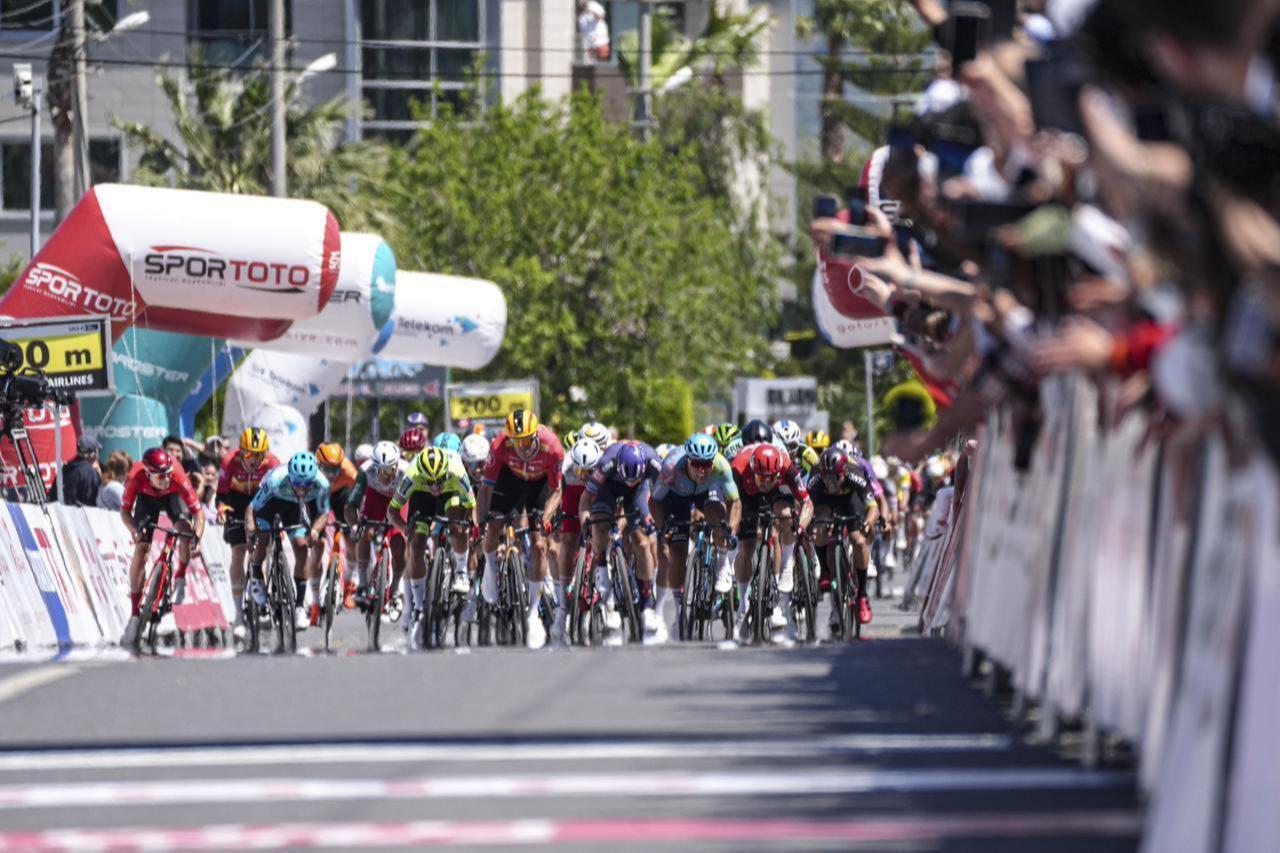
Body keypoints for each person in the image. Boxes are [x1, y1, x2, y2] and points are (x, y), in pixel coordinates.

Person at [473, 409, 563, 649]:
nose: (521, 447)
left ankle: (532, 613)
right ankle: (491, 572)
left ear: (535, 436)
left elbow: (556, 491)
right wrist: (481, 521)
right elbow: (486, 489)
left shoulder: (553, 447)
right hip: (509, 480)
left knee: (539, 545)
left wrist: (545, 517)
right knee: (493, 527)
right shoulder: (500, 445)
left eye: (526, 440)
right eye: (516, 442)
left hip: (540, 485)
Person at [650, 433, 741, 639]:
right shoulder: (671, 467)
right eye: (697, 464)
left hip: (708, 492)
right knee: (678, 551)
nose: (702, 470)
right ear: (688, 461)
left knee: (717, 519)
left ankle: (722, 564)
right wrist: (663, 526)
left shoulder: (721, 466)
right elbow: (654, 502)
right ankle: (680, 610)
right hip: (677, 496)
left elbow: (734, 502)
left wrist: (730, 532)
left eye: (706, 464)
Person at [579, 439, 662, 640]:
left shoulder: (653, 462)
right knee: (599, 525)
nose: (629, 482)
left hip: (639, 493)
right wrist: (585, 526)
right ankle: (601, 567)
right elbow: (586, 500)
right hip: (608, 488)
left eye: (633, 478)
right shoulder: (606, 463)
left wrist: (656, 523)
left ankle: (646, 606)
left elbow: (662, 498)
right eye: (628, 478)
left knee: (642, 542)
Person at [120, 448, 204, 643]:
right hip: (147, 500)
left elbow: (198, 514)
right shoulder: (136, 476)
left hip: (173, 498)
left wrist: (196, 539)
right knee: (141, 548)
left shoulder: (176, 475)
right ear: (148, 474)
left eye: (167, 474)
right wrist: (135, 530)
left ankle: (180, 574)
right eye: (160, 477)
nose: (166, 479)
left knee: (184, 529)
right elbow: (124, 513)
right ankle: (134, 615)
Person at [730, 442, 812, 642]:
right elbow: (732, 504)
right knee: (747, 546)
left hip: (778, 493)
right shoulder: (739, 468)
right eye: (762, 478)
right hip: (747, 495)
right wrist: (732, 530)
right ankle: (743, 606)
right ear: (753, 469)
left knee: (785, 515)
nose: (766, 482)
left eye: (770, 478)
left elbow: (807, 503)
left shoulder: (786, 467)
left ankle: (785, 568)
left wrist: (799, 527)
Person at [389, 446, 476, 636]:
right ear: (422, 475)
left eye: (439, 480)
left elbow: (472, 506)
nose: (436, 486)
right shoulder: (411, 476)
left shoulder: (457, 471)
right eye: (431, 481)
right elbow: (392, 512)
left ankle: (461, 571)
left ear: (446, 472)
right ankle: (419, 607)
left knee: (457, 525)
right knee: (417, 545)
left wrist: (469, 525)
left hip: (451, 493)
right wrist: (405, 529)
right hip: (421, 497)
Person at [245, 452, 329, 631]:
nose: (303, 488)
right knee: (263, 540)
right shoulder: (275, 480)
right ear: (291, 476)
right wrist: (251, 531)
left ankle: (299, 607)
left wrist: (314, 530)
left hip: (292, 507)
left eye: (307, 483)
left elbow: (323, 513)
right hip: (269, 505)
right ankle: (257, 574)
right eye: (298, 482)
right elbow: (252, 508)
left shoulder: (322, 483)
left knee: (301, 548)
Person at [808, 446, 879, 636]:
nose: (831, 484)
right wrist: (804, 524)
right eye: (827, 478)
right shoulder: (816, 477)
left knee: (859, 541)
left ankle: (862, 595)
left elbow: (873, 508)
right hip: (825, 503)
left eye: (835, 479)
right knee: (819, 527)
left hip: (850, 500)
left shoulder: (854, 474)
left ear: (844, 472)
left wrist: (868, 523)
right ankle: (824, 569)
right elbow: (805, 506)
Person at [216, 427, 279, 638]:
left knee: (265, 545)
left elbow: (280, 495)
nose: (254, 460)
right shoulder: (228, 461)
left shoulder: (272, 463)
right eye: (249, 455)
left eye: (259, 455)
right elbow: (221, 495)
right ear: (241, 451)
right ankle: (239, 616)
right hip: (237, 501)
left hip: (262, 501)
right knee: (238, 552)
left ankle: (267, 583)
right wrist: (222, 510)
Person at [550, 437, 603, 645]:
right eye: (581, 472)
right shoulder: (566, 467)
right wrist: (556, 517)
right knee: (568, 541)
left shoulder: (603, 468)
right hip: (571, 495)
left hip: (596, 495)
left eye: (589, 473)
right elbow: (557, 492)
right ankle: (563, 606)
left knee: (600, 533)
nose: (585, 477)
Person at [347, 441, 409, 612]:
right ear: (374, 467)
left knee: (399, 543)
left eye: (390, 470)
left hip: (399, 499)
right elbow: (350, 506)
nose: (386, 476)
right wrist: (354, 526)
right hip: (376, 496)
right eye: (381, 471)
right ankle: (362, 583)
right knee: (365, 532)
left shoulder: (408, 471)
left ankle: (396, 587)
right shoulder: (365, 472)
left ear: (397, 466)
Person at [309, 443, 359, 625]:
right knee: (317, 548)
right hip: (317, 495)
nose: (332, 475)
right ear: (318, 465)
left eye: (335, 470)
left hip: (340, 495)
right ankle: (314, 602)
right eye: (327, 470)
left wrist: (355, 522)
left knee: (351, 538)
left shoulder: (348, 470)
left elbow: (359, 495)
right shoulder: (311, 471)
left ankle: (349, 583)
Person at [55, 435, 101, 507]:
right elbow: (95, 501)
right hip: (83, 516)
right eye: (98, 451)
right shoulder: (91, 473)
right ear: (93, 453)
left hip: (60, 514)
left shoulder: (65, 469)